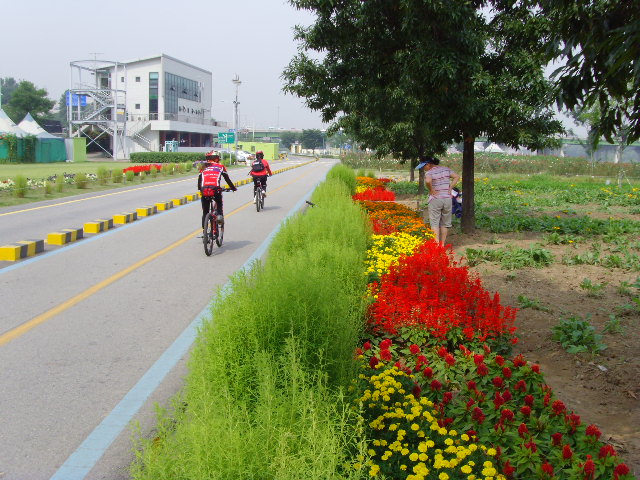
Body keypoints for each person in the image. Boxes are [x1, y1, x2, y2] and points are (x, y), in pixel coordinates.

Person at [418, 156, 460, 245]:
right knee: (445, 223)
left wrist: (431, 190)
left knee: (434, 222)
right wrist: (450, 187)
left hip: (436, 199)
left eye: (424, 166)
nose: (423, 168)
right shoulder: (446, 169)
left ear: (428, 164)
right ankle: (442, 244)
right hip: (447, 199)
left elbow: (428, 181)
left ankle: (436, 244)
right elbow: (456, 176)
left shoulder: (429, 172)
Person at [197, 150, 237, 228]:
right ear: (216, 159)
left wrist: (200, 189)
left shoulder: (203, 167)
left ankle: (204, 230)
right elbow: (227, 179)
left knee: (205, 211)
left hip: (204, 190)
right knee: (219, 203)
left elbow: (199, 180)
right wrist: (233, 188)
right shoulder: (221, 167)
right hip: (215, 189)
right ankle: (219, 216)